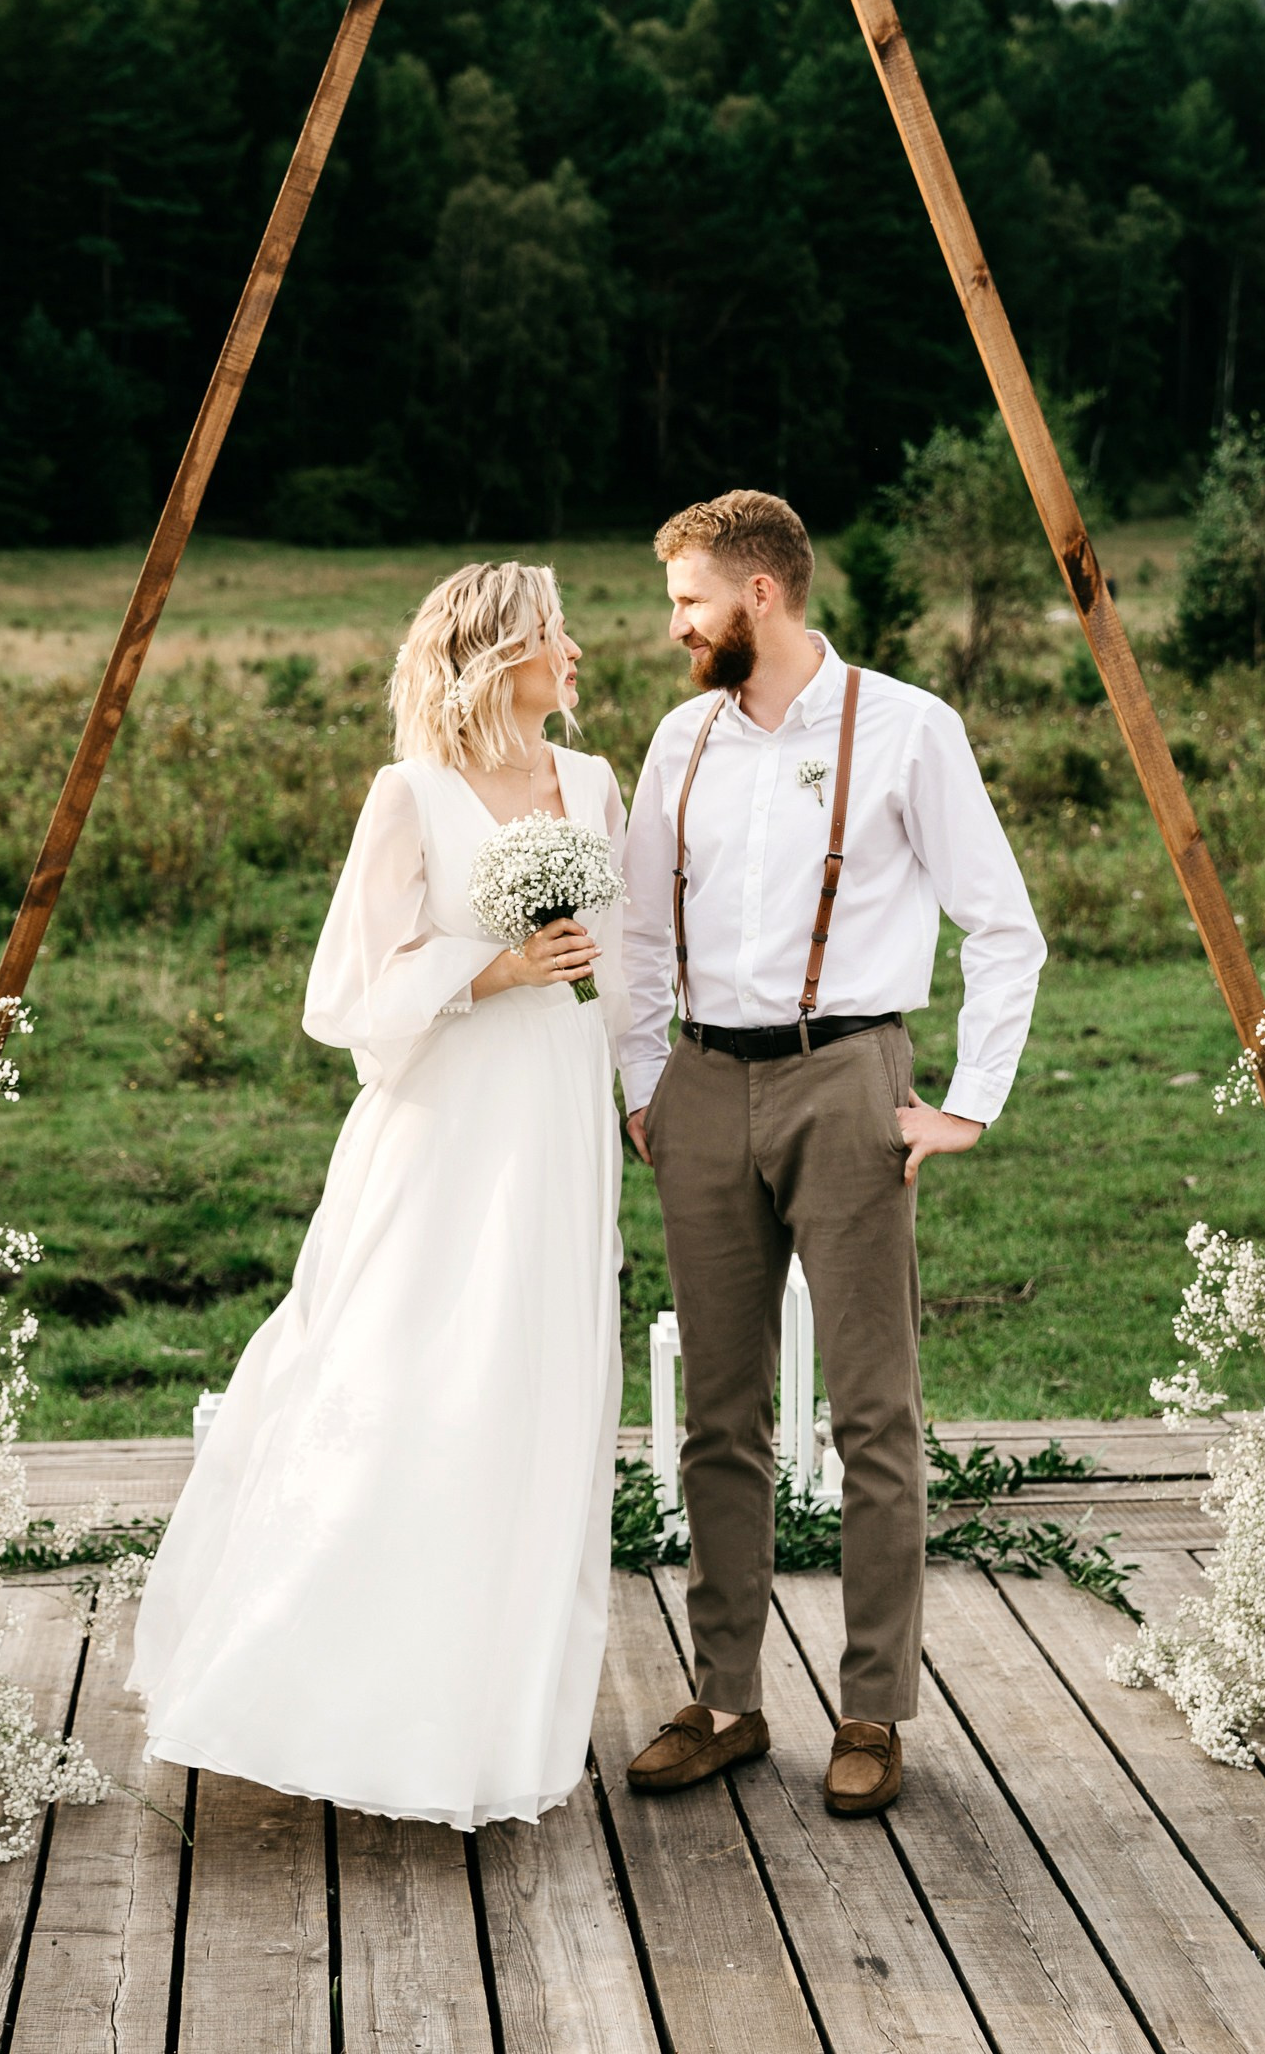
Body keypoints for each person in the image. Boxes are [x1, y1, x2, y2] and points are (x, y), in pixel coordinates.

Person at [129, 561, 627, 1830]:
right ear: (499, 653)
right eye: (555, 634)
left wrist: (637, 1079)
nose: (576, 651)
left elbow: (619, 971)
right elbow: (340, 997)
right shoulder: (407, 796)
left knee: (540, 1394)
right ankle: (317, 1686)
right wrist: (493, 967)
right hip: (442, 1124)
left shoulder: (594, 785)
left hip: (557, 1113)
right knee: (406, 1377)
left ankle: (493, 1720)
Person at [618, 489, 1044, 1818]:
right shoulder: (681, 739)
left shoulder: (909, 729)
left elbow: (1003, 925)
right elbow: (638, 932)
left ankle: (873, 1711)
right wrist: (644, 1081)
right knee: (717, 1418)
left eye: (690, 601)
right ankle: (727, 1700)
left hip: (849, 1075)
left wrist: (964, 1101)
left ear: (761, 595)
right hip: (701, 1085)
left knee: (872, 1413)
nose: (676, 626)